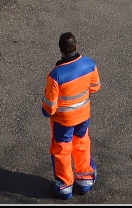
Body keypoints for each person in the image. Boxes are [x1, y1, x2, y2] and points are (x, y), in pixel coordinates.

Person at [42, 32, 101, 199]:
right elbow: (95, 86)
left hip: (63, 120)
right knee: (82, 143)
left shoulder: (56, 75)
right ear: (76, 47)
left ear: (61, 50)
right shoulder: (89, 64)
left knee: (62, 149)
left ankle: (64, 185)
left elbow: (50, 106)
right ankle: (85, 179)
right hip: (83, 115)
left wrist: (45, 109)